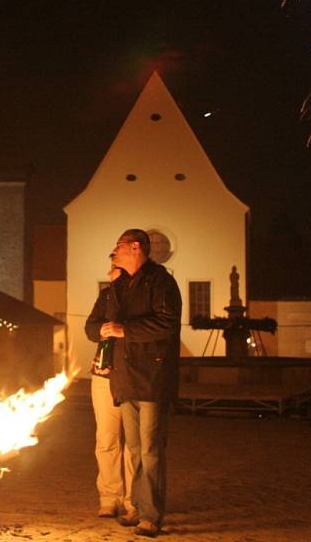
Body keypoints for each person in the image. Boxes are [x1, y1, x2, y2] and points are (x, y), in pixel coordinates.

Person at [103, 229, 181, 538]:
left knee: (150, 449)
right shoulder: (120, 284)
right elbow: (104, 319)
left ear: (136, 247)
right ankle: (134, 506)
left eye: (119, 246)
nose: (115, 251)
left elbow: (166, 323)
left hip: (152, 378)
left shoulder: (161, 281)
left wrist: (125, 330)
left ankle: (151, 515)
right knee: (133, 448)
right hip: (126, 377)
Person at [85, 265, 135, 520]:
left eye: (114, 266)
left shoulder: (139, 295)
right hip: (103, 372)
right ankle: (109, 497)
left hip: (129, 374)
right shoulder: (106, 296)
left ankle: (132, 500)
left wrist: (121, 328)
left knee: (133, 443)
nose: (108, 271)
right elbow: (90, 326)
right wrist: (100, 330)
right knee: (106, 439)